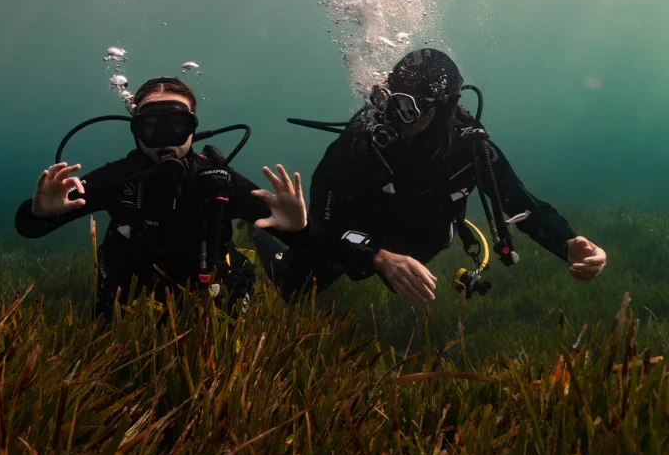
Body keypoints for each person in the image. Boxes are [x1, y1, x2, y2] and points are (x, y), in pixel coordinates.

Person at [253, 48, 607, 304]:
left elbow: (523, 205)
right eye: (387, 100)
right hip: (355, 237)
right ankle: (258, 234)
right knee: (291, 288)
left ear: (441, 110)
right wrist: (378, 257)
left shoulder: (470, 148)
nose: (391, 117)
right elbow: (322, 224)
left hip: (421, 242)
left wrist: (568, 243)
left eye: (406, 108)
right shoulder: (364, 140)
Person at [15, 76, 308, 318]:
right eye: (151, 126)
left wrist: (298, 230)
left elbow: (315, 245)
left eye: (177, 125)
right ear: (136, 132)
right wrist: (39, 213)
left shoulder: (219, 179)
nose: (165, 138)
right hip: (128, 298)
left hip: (208, 296)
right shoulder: (119, 178)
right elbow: (29, 229)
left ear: (193, 129)